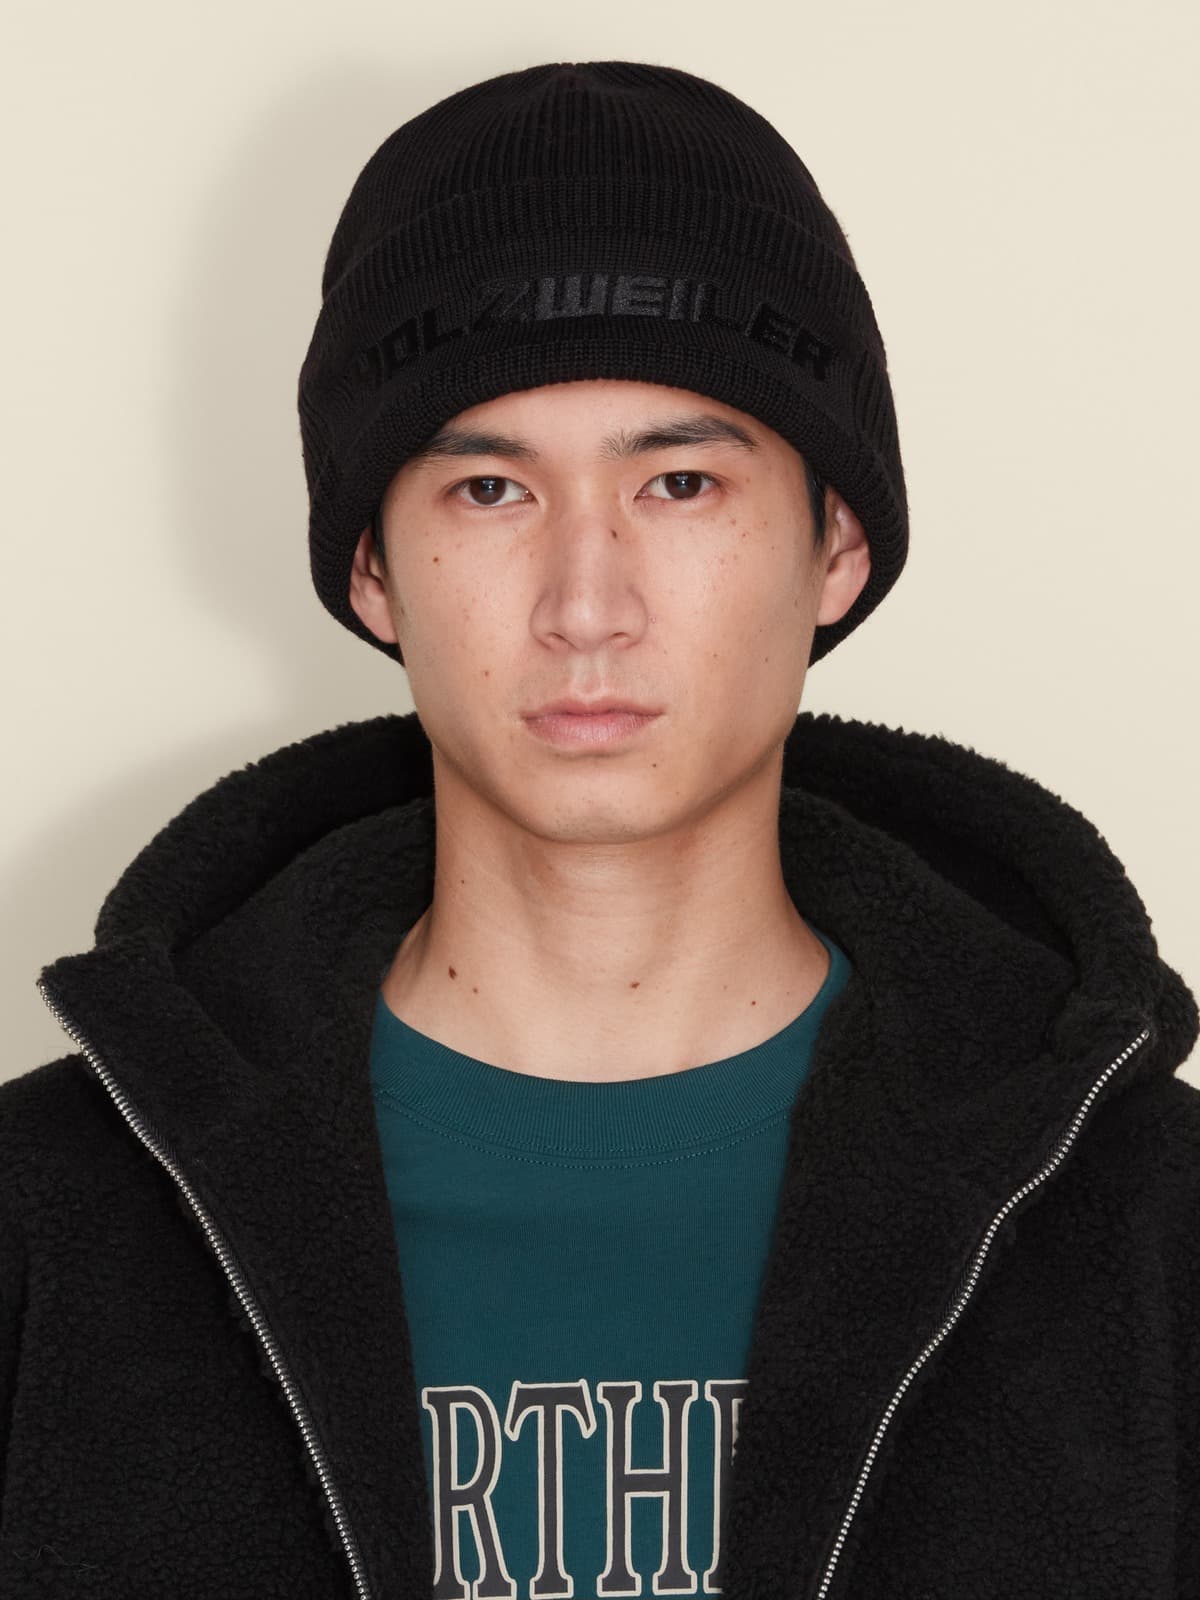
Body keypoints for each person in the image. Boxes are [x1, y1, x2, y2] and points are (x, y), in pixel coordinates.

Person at [1, 58, 1196, 1600]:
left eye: (681, 483)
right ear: (372, 571)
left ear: (836, 544)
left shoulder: (1147, 1232)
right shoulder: (51, 1220)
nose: (586, 606)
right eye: (490, 491)